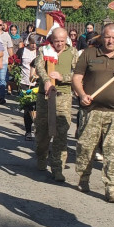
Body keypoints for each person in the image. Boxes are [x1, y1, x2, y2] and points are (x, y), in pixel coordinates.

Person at [72, 23, 114, 202]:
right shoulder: (89, 54)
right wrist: (81, 95)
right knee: (86, 148)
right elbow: (77, 77)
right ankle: (83, 178)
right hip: (92, 110)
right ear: (102, 37)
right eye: (107, 37)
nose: (110, 41)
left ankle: (112, 188)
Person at [34, 27, 73, 181]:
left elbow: (79, 74)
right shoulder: (45, 50)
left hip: (63, 96)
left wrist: (63, 77)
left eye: (62, 41)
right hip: (45, 97)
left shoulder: (73, 53)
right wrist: (46, 80)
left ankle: (58, 167)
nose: (59, 44)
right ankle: (41, 156)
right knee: (42, 131)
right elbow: (39, 67)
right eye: (56, 41)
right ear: (52, 39)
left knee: (61, 133)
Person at [18, 33, 39, 139]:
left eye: (36, 44)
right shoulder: (22, 51)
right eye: (32, 43)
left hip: (37, 83)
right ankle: (28, 131)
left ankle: (37, 128)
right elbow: (16, 62)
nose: (34, 46)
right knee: (28, 107)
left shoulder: (40, 52)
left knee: (36, 107)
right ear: (28, 43)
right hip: (24, 82)